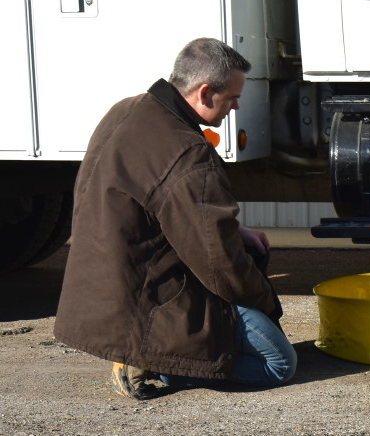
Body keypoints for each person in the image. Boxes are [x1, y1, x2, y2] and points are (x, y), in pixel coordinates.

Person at [54, 38, 297, 400]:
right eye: (232, 97)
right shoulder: (189, 153)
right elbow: (220, 264)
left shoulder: (127, 109)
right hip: (151, 301)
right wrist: (265, 301)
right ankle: (162, 362)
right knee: (279, 363)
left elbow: (160, 210)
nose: (236, 106)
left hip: (111, 285)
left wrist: (236, 229)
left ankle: (154, 354)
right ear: (204, 93)